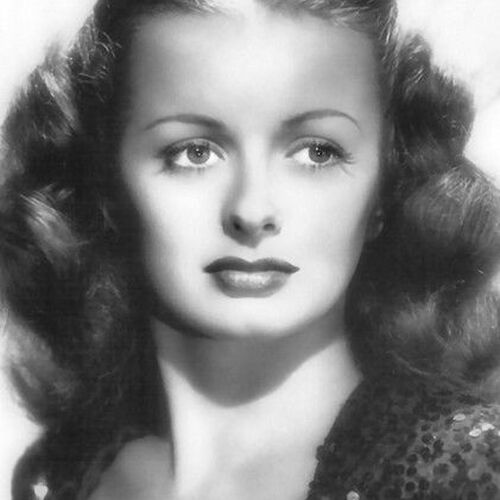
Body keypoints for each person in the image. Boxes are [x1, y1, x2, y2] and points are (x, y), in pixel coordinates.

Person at [1, 0, 500, 498]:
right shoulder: (67, 476)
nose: (252, 210)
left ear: (384, 189)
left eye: (316, 152)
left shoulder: (468, 471)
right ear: (108, 182)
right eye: (194, 152)